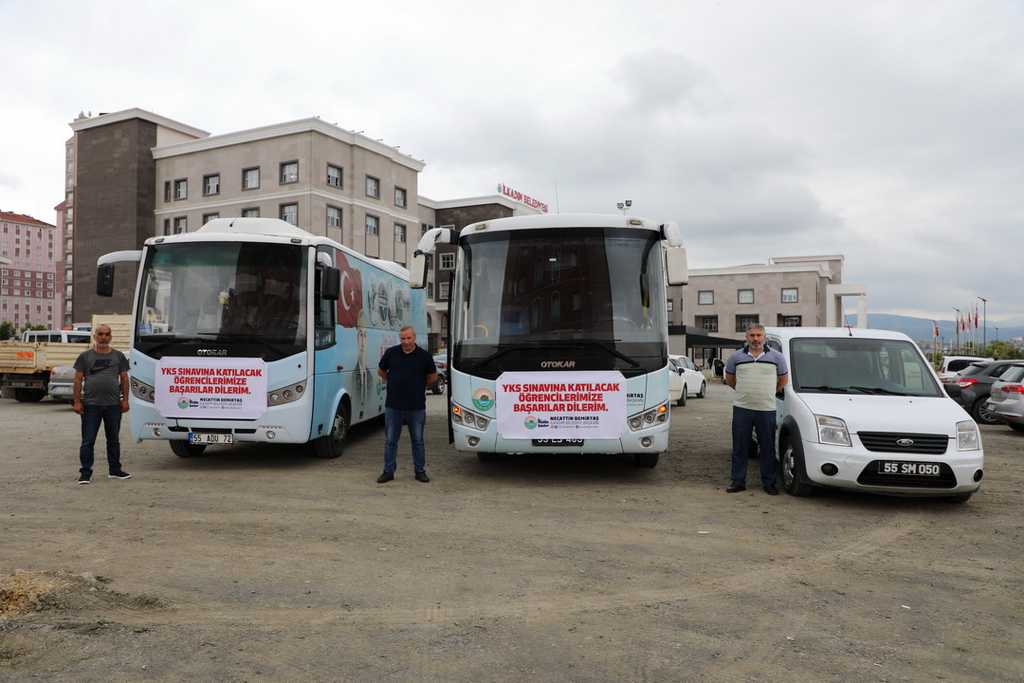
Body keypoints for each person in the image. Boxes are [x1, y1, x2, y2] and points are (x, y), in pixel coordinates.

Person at [723, 324, 788, 495]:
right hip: (742, 408)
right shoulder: (736, 357)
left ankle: (769, 483)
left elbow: (783, 380)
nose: (755, 339)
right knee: (740, 447)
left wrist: (769, 392)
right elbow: (730, 380)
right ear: (746, 337)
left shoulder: (777, 357)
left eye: (759, 335)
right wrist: (744, 391)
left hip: (766, 409)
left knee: (767, 448)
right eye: (752, 335)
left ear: (764, 337)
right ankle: (738, 481)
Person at [376, 325, 437, 484]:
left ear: (414, 338)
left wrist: (419, 385)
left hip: (416, 407)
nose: (406, 341)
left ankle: (420, 471)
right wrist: (393, 381)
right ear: (400, 338)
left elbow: (432, 376)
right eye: (403, 338)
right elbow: (381, 371)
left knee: (417, 440)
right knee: (390, 441)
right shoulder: (391, 353)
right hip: (393, 406)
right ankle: (388, 471)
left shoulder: (424, 356)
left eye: (409, 338)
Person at [73, 324, 131, 484]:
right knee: (88, 440)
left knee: (113, 440)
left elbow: (125, 379)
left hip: (113, 405)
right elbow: (78, 380)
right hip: (91, 405)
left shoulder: (119, 356)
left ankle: (115, 470)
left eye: (107, 334)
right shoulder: (85, 357)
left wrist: (125, 400)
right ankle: (85, 473)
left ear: (111, 337)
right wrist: (77, 402)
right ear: (94, 336)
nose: (103, 337)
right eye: (100, 334)